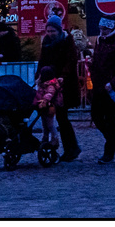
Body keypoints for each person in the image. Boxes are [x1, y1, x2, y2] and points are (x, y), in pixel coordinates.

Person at [38, 14, 81, 161]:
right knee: (57, 117)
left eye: (53, 31)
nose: (50, 34)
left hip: (64, 85)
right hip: (50, 82)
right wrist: (39, 75)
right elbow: (42, 60)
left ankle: (71, 148)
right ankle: (70, 148)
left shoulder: (67, 42)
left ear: (59, 30)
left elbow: (71, 60)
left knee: (62, 117)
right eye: (48, 31)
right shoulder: (46, 42)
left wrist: (63, 76)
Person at [89, 18, 115, 163]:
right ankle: (113, 141)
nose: (102, 32)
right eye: (101, 29)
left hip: (113, 87)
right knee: (96, 116)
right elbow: (98, 61)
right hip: (99, 85)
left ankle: (109, 150)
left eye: (105, 29)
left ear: (112, 28)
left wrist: (113, 83)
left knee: (110, 118)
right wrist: (91, 65)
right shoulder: (100, 40)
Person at [33, 65, 64, 151]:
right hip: (44, 106)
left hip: (49, 106)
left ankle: (54, 139)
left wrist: (44, 100)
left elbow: (49, 94)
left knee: (50, 124)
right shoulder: (44, 84)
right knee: (44, 124)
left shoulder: (50, 85)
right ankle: (45, 138)